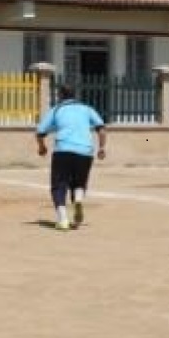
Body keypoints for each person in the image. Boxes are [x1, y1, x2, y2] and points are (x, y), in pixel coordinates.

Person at [35, 84, 107, 231]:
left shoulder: (57, 109)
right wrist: (101, 148)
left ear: (60, 96)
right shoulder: (87, 109)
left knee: (59, 185)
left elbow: (40, 131)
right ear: (74, 95)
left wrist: (42, 147)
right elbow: (101, 129)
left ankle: (63, 220)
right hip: (85, 151)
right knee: (79, 181)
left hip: (63, 150)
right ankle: (78, 200)